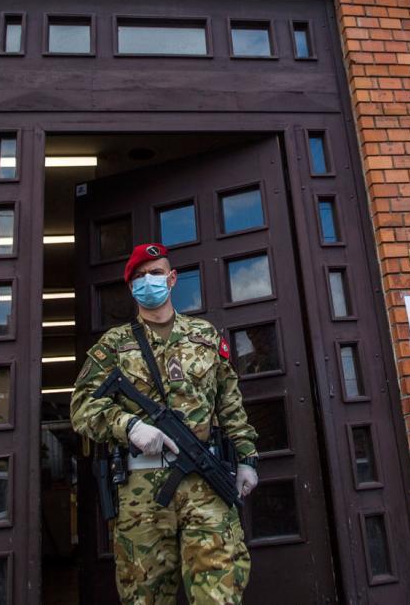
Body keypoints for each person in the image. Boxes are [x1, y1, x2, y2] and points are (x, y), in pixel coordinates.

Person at [72, 242, 259, 604]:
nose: (148, 281)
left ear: (172, 279)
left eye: (155, 273)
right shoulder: (112, 345)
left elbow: (230, 404)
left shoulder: (205, 337)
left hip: (207, 484)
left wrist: (247, 459)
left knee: (220, 591)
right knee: (145, 596)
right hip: (142, 495)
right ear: (131, 289)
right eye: (139, 277)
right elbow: (82, 408)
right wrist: (127, 425)